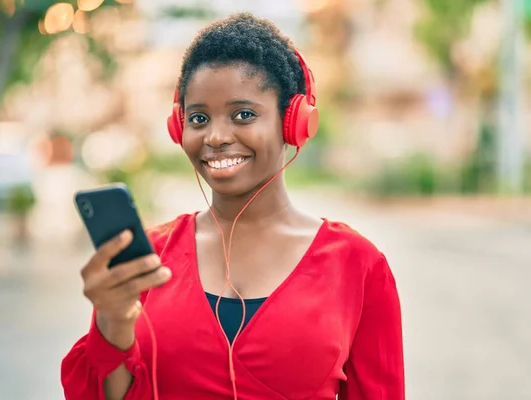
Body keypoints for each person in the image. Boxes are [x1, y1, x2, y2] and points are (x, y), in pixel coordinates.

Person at [60, 12, 405, 400]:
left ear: (292, 121)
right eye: (199, 118)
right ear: (179, 128)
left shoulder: (358, 266)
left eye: (244, 114)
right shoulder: (148, 260)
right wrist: (112, 322)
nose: (217, 136)